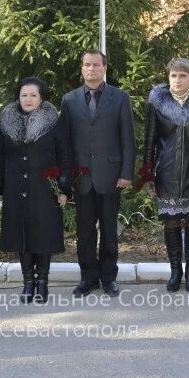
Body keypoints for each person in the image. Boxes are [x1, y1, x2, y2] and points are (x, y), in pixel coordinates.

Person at [60, 50, 135, 298]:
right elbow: (65, 143)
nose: (91, 69)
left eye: (96, 64)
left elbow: (128, 140)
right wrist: (66, 177)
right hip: (82, 177)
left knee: (109, 230)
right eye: (86, 65)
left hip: (111, 175)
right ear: (81, 69)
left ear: (105, 68)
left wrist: (126, 173)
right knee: (85, 232)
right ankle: (88, 278)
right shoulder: (69, 100)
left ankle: (108, 278)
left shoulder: (120, 98)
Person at [0, 77, 70, 304]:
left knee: (43, 235)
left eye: (33, 95)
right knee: (21, 234)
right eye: (24, 95)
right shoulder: (7, 120)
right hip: (15, 187)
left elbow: (64, 154)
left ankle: (42, 282)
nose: (28, 99)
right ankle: (28, 282)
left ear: (41, 98)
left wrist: (64, 187)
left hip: (45, 187)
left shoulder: (54, 121)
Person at [141, 58, 189, 293]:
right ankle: (175, 273)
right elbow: (149, 140)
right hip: (167, 172)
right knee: (171, 223)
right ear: (168, 77)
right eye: (173, 75)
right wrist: (147, 174)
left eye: (182, 75)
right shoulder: (158, 102)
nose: (177, 80)